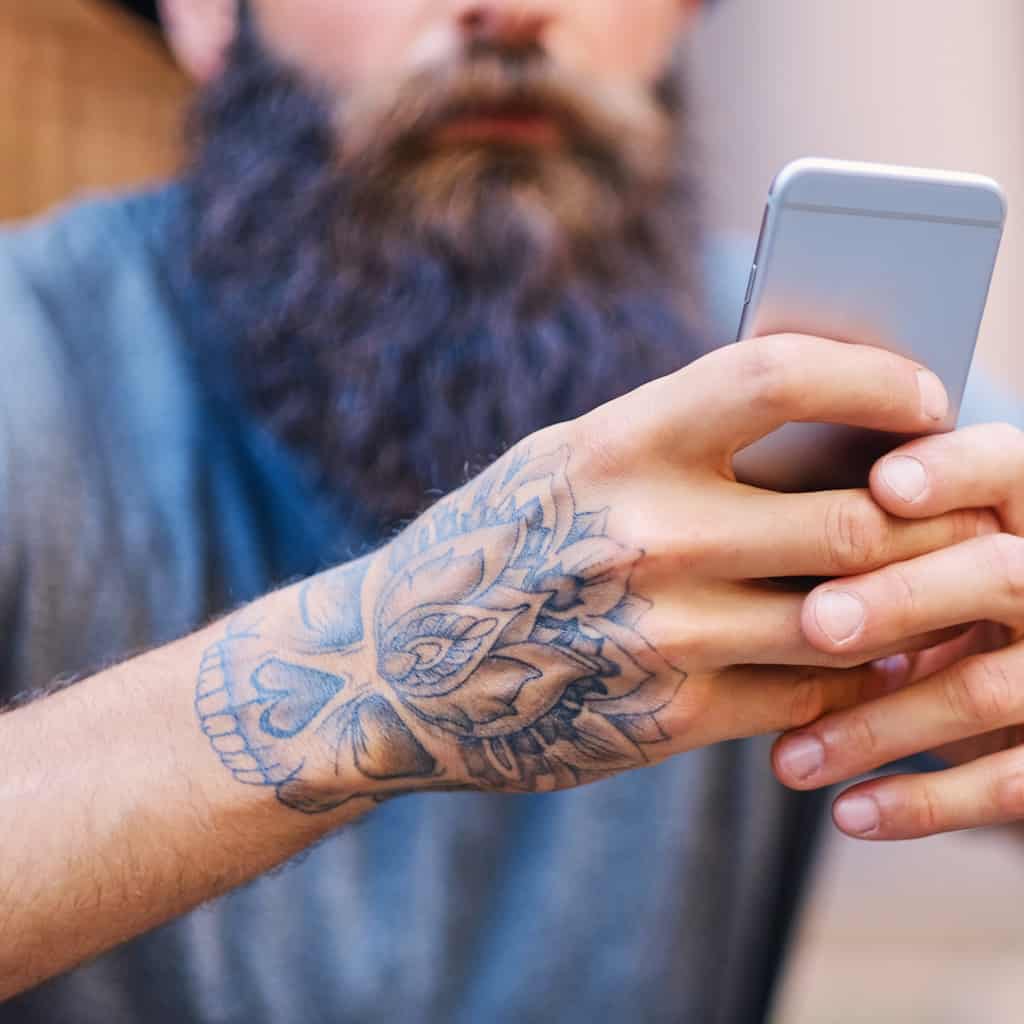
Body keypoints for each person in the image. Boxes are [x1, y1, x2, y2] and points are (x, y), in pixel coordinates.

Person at [3, 1, 1024, 1020]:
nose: (513, 11)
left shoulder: (813, 371)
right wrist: (390, 663)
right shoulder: (32, 358)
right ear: (203, 14)